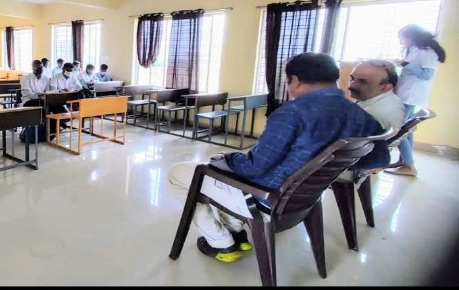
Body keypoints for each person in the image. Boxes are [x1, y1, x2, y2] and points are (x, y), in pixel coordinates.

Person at [167, 52, 389, 263]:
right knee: (221, 165)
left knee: (180, 172)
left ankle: (220, 242)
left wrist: (226, 159)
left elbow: (254, 168)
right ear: (335, 78)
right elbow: (378, 160)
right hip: (305, 198)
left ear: (294, 80)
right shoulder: (359, 115)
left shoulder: (292, 113)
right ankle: (236, 231)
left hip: (266, 197)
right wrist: (327, 168)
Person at [385, 24, 446, 176]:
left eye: (402, 39)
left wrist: (406, 64)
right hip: (407, 95)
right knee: (408, 130)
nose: (401, 42)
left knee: (399, 131)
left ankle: (409, 165)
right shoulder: (415, 50)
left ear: (411, 37)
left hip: (410, 97)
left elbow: (426, 75)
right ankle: (404, 161)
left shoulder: (426, 52)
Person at [348, 59, 405, 131]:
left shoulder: (371, 115)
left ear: (386, 87)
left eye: (363, 81)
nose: (352, 85)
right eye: (352, 78)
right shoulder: (392, 99)